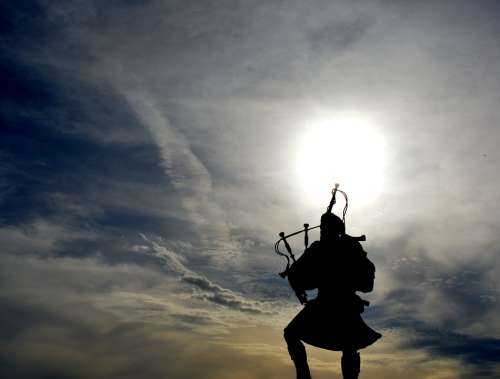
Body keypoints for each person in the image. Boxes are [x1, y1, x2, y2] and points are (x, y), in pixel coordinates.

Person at [284, 212, 382, 379]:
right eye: (322, 228)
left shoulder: (350, 247)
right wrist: (298, 280)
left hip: (345, 304)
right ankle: (303, 375)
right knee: (291, 333)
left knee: (349, 346)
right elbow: (300, 277)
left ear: (335, 229)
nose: (322, 231)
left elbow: (367, 283)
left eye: (325, 228)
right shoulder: (318, 248)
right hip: (323, 303)